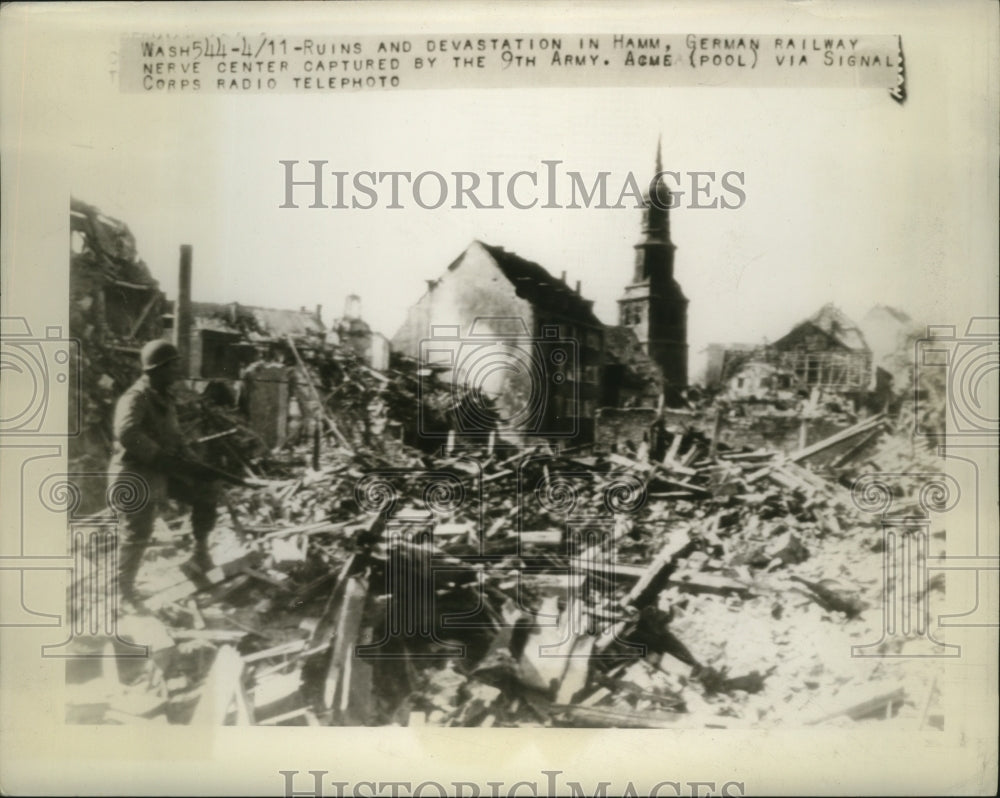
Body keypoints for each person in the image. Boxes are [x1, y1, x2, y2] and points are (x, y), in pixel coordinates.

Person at [109, 339, 218, 604]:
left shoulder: (163, 397)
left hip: (160, 472)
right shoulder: (136, 397)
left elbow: (175, 439)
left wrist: (194, 465)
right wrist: (159, 457)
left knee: (205, 490)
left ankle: (200, 555)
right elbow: (127, 433)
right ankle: (122, 591)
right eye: (172, 367)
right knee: (138, 533)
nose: (177, 372)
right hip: (134, 475)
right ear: (155, 369)